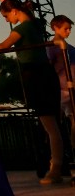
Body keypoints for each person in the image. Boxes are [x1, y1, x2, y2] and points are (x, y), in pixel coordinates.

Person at [0, 0, 63, 184]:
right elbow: (17, 8)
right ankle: (56, 166)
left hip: (36, 75)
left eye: (6, 16)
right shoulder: (34, 24)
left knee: (50, 125)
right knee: (52, 125)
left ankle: (56, 169)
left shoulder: (23, 28)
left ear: (14, 11)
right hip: (44, 74)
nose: (6, 20)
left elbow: (3, 46)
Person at [47, 15, 75, 146]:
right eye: (66, 29)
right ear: (55, 28)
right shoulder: (51, 47)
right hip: (63, 89)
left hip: (69, 88)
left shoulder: (69, 47)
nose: (69, 31)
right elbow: (49, 68)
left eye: (69, 29)